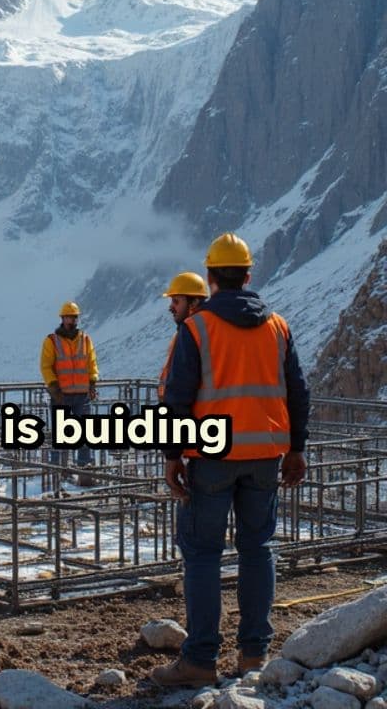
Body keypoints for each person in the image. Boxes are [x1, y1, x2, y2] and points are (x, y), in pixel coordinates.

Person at [152, 233, 310, 688]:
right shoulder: (277, 325)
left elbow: (178, 398)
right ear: (247, 275)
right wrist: (296, 448)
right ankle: (253, 655)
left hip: (213, 457)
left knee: (202, 555)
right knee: (257, 550)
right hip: (265, 456)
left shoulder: (197, 329)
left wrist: (172, 456)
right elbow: (298, 391)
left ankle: (200, 659)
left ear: (210, 277)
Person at [41, 301, 99, 479]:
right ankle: (59, 472)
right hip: (62, 396)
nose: (72, 320)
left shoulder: (85, 339)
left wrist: (92, 382)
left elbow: (91, 363)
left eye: (74, 317)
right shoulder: (52, 341)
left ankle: (84, 470)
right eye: (69, 317)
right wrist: (53, 387)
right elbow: (46, 366)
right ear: (62, 318)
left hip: (81, 395)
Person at [157, 272, 209, 400]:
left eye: (176, 301)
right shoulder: (185, 333)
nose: (171, 307)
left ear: (194, 302)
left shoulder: (201, 333)